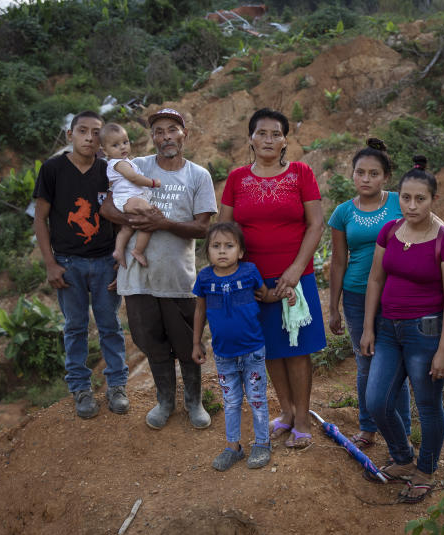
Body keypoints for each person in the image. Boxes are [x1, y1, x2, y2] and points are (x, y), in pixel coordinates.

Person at [100, 107, 217, 430]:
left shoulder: (198, 176)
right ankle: (165, 401)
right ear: (152, 137)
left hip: (178, 278)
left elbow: (202, 228)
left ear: (184, 134)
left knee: (187, 343)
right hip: (139, 279)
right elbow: (108, 207)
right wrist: (134, 220)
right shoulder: (136, 166)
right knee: (151, 341)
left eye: (172, 130)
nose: (166, 137)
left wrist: (162, 223)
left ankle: (194, 402)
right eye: (159, 132)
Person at [360, 155, 444, 503]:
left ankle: (426, 469)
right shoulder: (389, 231)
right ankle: (403, 458)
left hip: (426, 334)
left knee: (428, 404)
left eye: (420, 198)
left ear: (434, 199)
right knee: (377, 401)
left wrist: (443, 349)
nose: (411, 205)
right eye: (405, 197)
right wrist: (368, 328)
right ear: (398, 196)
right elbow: (376, 279)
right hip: (387, 330)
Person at [220, 108, 327, 449]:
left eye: (275, 133)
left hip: (296, 277)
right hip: (253, 281)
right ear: (250, 138)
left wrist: (295, 270)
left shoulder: (300, 173)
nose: (268, 139)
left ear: (285, 140)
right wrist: (241, 276)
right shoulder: (237, 179)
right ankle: (286, 411)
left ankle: (303, 416)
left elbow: (316, 224)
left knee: (297, 348)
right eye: (261, 133)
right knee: (268, 349)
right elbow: (224, 229)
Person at [33, 110, 129, 419]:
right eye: (83, 131)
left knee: (110, 325)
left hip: (104, 262)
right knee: (74, 327)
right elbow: (40, 219)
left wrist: (119, 258)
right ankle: (80, 388)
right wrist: (50, 263)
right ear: (69, 135)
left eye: (96, 132)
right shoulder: (53, 170)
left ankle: (116, 385)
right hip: (68, 263)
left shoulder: (109, 170)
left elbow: (119, 216)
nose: (89, 137)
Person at [191, 222, 296, 471]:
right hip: (224, 354)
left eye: (229, 246)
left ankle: (262, 443)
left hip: (253, 351)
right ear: (208, 252)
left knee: (257, 398)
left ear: (240, 251)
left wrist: (285, 293)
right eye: (216, 246)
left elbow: (265, 295)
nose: (222, 251)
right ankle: (233, 447)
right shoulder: (205, 277)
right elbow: (200, 310)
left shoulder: (249, 271)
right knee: (231, 401)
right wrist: (196, 342)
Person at [328, 138, 411, 449]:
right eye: (360, 173)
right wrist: (333, 307)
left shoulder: (399, 203)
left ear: (386, 177)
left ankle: (401, 430)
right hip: (356, 296)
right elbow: (338, 261)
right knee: (365, 362)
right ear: (352, 175)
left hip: (396, 295)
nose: (366, 179)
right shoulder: (342, 213)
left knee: (396, 364)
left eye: (373, 173)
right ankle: (367, 427)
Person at [100, 122, 160, 269]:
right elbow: (134, 178)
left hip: (128, 198)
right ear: (105, 151)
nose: (122, 147)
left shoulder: (125, 162)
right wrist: (152, 182)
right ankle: (138, 250)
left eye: (125, 142)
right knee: (151, 217)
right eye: (115, 145)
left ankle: (118, 251)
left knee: (127, 228)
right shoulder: (119, 164)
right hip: (128, 198)